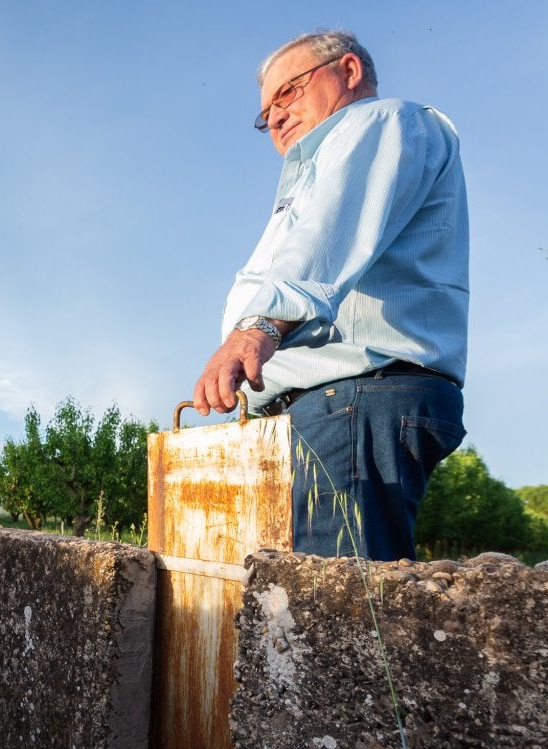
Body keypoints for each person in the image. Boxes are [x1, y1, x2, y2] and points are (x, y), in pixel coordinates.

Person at [191, 30, 468, 561]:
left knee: (335, 619)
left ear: (348, 70)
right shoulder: (319, 170)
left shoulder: (383, 122)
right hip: (331, 407)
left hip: (355, 400)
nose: (273, 116)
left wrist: (259, 327)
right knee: (294, 616)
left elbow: (326, 241)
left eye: (288, 91)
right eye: (265, 110)